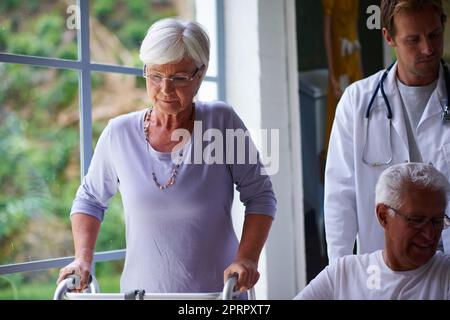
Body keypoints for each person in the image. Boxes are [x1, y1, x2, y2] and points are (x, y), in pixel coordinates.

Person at [56, 18, 276, 294]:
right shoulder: (119, 133)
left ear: (201, 72)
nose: (165, 89)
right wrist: (82, 259)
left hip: (216, 295)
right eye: (155, 76)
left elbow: (261, 196)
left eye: (179, 78)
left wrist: (246, 258)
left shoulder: (221, 122)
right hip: (141, 294)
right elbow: (89, 200)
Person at [324, 0, 450, 261]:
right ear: (389, 37)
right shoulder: (357, 102)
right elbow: (340, 198)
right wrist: (341, 273)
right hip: (383, 271)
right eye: (413, 40)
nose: (427, 48)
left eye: (434, 35)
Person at [296, 162, 450, 299]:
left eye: (437, 221)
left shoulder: (445, 276)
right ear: (383, 216)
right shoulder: (344, 274)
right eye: (417, 220)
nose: (429, 234)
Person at [321, 0, 363, 162]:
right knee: (340, 110)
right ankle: (339, 159)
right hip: (339, 61)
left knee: (359, 110)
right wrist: (332, 75)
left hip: (353, 56)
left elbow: (355, 28)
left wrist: (360, 66)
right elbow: (327, 35)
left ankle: (358, 156)